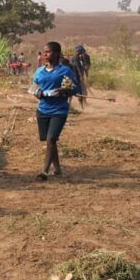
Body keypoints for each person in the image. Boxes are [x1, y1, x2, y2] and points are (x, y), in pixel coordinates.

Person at [31, 41, 80, 181]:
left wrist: (65, 90)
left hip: (59, 111)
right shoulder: (39, 71)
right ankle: (58, 169)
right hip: (42, 111)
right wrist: (37, 93)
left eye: (48, 52)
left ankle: (44, 172)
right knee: (49, 141)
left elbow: (75, 89)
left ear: (57, 53)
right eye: (44, 52)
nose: (45, 54)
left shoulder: (65, 71)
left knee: (51, 139)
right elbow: (33, 88)